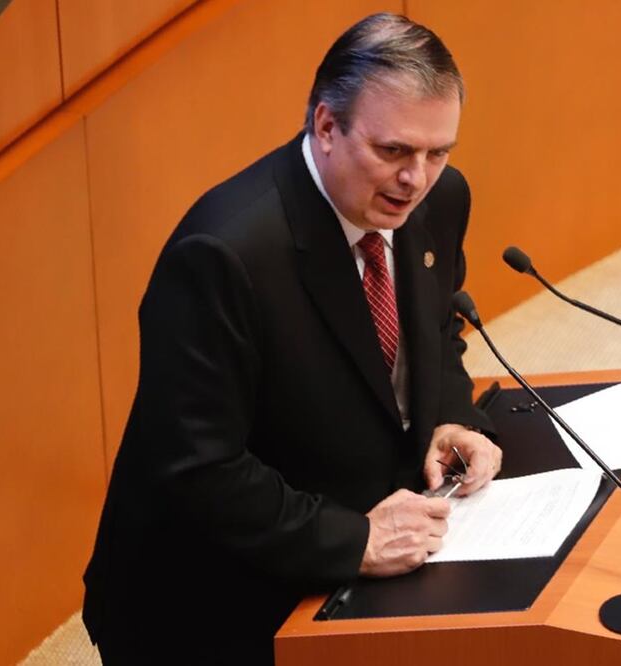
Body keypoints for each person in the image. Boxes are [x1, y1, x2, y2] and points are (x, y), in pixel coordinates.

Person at [82, 13, 502, 664]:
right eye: (393, 151)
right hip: (210, 594)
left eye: (437, 152)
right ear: (326, 126)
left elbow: (438, 325)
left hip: (351, 522)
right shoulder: (224, 254)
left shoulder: (441, 199)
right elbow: (200, 468)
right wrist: (356, 540)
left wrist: (451, 417)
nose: (416, 179)